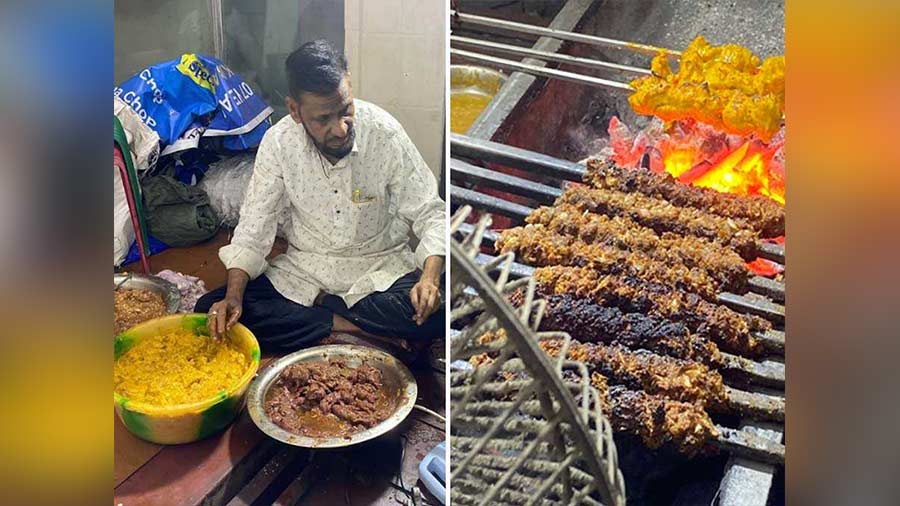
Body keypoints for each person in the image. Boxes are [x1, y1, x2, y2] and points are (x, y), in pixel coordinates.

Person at [195, 40, 445, 351]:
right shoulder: (279, 144)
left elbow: (431, 214)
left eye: (345, 110)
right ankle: (353, 330)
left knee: (441, 308)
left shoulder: (384, 133)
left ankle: (324, 322)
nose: (340, 129)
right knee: (211, 308)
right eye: (323, 120)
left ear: (349, 86)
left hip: (378, 270)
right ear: (294, 111)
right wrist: (233, 297)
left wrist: (429, 280)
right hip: (305, 273)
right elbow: (253, 229)